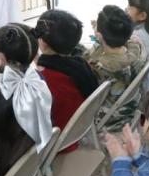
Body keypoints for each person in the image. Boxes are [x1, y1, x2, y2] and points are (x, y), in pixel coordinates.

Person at [33, 10, 100, 148]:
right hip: (79, 132)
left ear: (43, 43)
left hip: (58, 145)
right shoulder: (81, 65)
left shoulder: (42, 81)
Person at [85, 6, 145, 133]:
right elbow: (131, 42)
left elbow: (87, 59)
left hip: (109, 120)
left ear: (99, 35)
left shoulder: (99, 66)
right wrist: (101, 34)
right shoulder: (136, 49)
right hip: (129, 110)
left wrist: (99, 35)